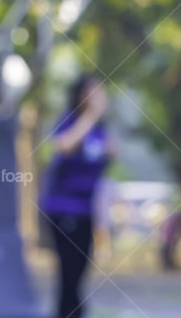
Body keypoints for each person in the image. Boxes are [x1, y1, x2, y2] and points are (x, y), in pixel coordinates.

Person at [41, 74, 113, 318]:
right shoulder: (69, 122)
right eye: (93, 91)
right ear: (81, 94)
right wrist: (91, 115)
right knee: (68, 275)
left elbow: (104, 168)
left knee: (79, 273)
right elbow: (63, 145)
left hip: (87, 211)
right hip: (64, 210)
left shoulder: (100, 131)